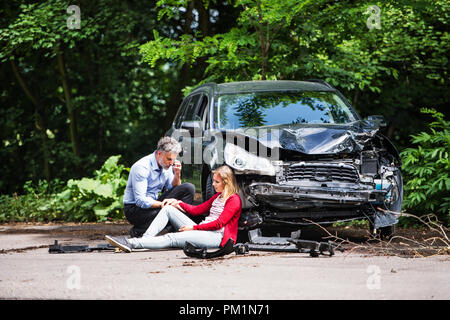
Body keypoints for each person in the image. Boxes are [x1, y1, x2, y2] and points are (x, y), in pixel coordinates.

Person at [106, 165, 242, 252]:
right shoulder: (217, 197)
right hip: (203, 229)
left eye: (216, 182)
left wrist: (193, 228)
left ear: (227, 182)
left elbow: (219, 224)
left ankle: (131, 243)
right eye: (213, 181)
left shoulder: (234, 200)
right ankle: (146, 240)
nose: (213, 184)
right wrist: (177, 203)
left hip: (216, 237)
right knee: (168, 209)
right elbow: (197, 210)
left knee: (171, 237)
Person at [122, 136, 195, 238]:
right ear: (159, 153)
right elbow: (140, 200)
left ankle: (178, 230)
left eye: (173, 160)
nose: (171, 163)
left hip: (154, 203)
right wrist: (164, 205)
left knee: (188, 188)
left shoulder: (167, 164)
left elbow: (174, 189)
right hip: (135, 210)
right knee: (169, 208)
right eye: (169, 159)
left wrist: (177, 174)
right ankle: (139, 230)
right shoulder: (142, 167)